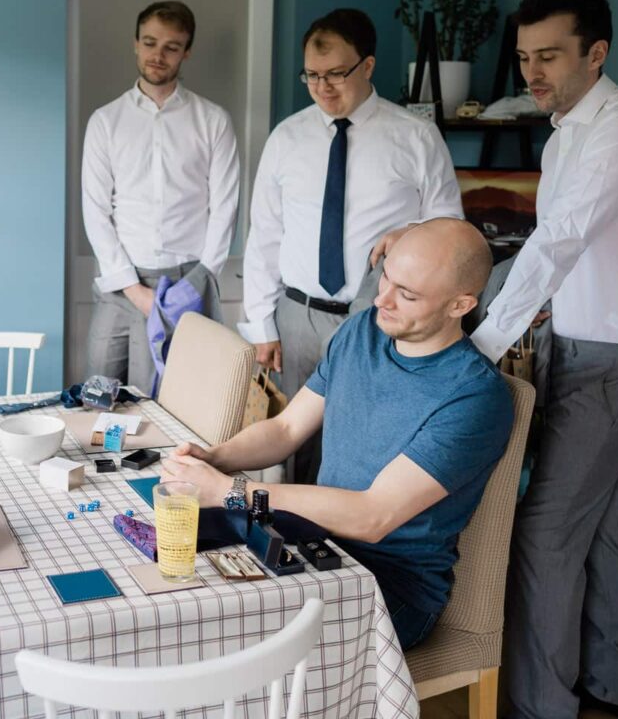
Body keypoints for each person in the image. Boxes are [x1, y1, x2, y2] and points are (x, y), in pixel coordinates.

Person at [376, 0, 618, 718]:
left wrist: (475, 345)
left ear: (596, 52)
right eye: (523, 58)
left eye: (548, 56)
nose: (531, 73)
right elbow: (549, 254)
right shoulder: (566, 128)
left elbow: (561, 239)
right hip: (568, 347)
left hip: (615, 364)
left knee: (544, 534)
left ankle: (540, 707)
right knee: (603, 525)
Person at [164, 219, 513, 648]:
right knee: (165, 574)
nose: (382, 299)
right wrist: (215, 459)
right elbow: (287, 428)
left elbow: (372, 517)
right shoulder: (361, 331)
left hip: (388, 585)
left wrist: (230, 491)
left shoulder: (473, 396)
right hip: (309, 541)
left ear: (459, 306)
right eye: (386, 275)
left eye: (407, 294)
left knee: (227, 637)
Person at [237, 8, 462, 481]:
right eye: (312, 76)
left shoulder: (415, 136)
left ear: (368, 66)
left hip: (377, 318)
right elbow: (264, 233)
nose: (323, 88)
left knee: (362, 446)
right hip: (296, 317)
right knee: (289, 444)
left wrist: (415, 232)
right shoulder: (287, 137)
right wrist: (260, 323)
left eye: (336, 73)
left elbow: (450, 228)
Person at [82, 0, 240, 390]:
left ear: (187, 51)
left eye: (171, 46)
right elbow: (96, 210)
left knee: (175, 399)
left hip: (186, 281)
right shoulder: (106, 121)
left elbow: (225, 206)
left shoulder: (213, 120)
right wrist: (134, 290)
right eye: (150, 43)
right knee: (102, 393)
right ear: (135, 43)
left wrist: (202, 277)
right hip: (120, 282)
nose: (158, 55)